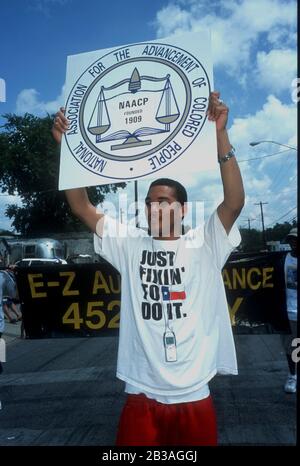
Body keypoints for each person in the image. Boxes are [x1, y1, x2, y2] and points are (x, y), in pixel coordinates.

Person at [52, 91, 244, 446]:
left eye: (165, 202)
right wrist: (68, 150)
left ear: (183, 210)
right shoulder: (130, 243)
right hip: (140, 390)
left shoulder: (205, 243)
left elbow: (234, 201)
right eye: (150, 202)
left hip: (193, 391)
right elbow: (81, 205)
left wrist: (221, 134)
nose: (155, 208)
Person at [281, 227, 297, 394]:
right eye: (291, 240)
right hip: (289, 312)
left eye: (296, 240)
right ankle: (293, 375)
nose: (294, 243)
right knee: (291, 347)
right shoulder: (282, 260)